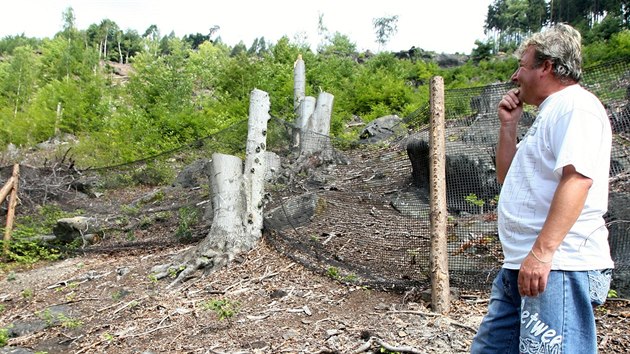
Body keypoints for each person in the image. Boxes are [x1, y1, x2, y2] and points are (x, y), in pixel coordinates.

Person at [470, 23, 614, 354]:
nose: (514, 76)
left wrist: (542, 253)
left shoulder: (575, 106)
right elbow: (509, 180)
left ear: (546, 67)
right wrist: (509, 126)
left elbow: (578, 179)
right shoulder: (550, 114)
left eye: (521, 65)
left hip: (557, 268)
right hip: (521, 267)